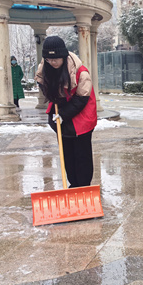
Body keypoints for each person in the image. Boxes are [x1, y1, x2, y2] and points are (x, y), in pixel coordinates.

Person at [34, 36, 98, 188]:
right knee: (67, 153)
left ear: (63, 56)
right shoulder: (45, 67)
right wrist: (54, 101)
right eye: (49, 59)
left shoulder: (80, 72)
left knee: (81, 155)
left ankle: (83, 186)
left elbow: (82, 99)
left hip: (81, 111)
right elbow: (42, 83)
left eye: (55, 59)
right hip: (61, 109)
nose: (52, 62)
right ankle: (73, 185)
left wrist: (63, 114)